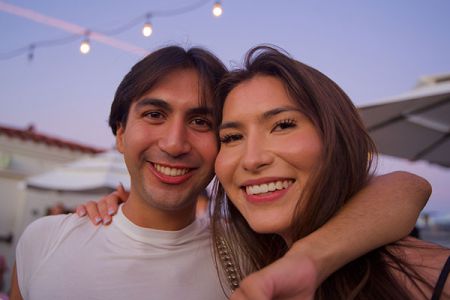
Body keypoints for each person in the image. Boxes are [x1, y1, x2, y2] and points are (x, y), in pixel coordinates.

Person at [12, 45, 430, 300]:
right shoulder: (43, 241)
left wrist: (306, 260)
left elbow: (406, 187)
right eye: (154, 114)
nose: (175, 143)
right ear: (120, 134)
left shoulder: (261, 252)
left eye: (201, 122)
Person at [210, 45, 450, 299]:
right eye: (233, 137)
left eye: (282, 125)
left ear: (336, 138)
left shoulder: (432, 278)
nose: (252, 159)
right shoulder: (238, 269)